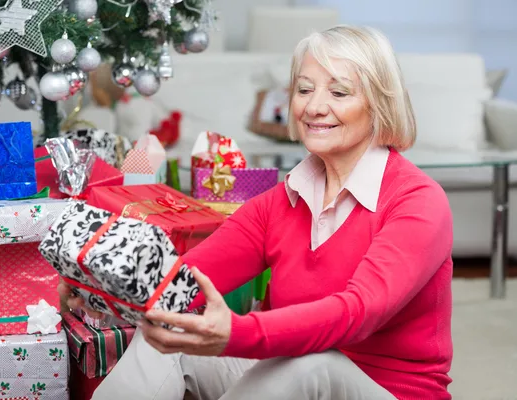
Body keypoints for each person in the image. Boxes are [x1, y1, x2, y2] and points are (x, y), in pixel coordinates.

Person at [61, 25, 454, 400]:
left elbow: (357, 314)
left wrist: (235, 333)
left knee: (313, 365)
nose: (315, 107)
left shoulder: (417, 201)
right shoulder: (282, 200)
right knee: (170, 330)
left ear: (380, 103)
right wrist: (96, 288)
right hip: (284, 376)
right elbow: (185, 280)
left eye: (339, 92)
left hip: (383, 390)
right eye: (304, 89)